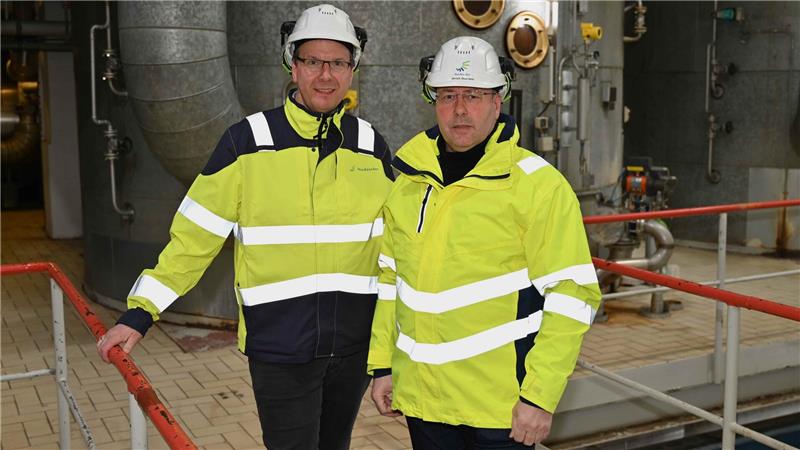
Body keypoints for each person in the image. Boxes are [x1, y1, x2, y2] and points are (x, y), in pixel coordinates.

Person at [97, 4, 394, 449]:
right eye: (313, 61)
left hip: (351, 350)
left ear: (353, 69)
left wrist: (390, 351)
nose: (325, 75)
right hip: (281, 349)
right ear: (292, 65)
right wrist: (141, 313)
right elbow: (193, 238)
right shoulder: (247, 142)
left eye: (338, 62)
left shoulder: (370, 146)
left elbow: (395, 249)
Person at [367, 36, 601, 449]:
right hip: (424, 403)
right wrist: (383, 366)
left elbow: (572, 295)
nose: (460, 109)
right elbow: (390, 282)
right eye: (448, 95)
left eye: (474, 95)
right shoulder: (407, 184)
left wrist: (539, 397)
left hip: (502, 412)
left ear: (499, 101)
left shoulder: (538, 187)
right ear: (432, 100)